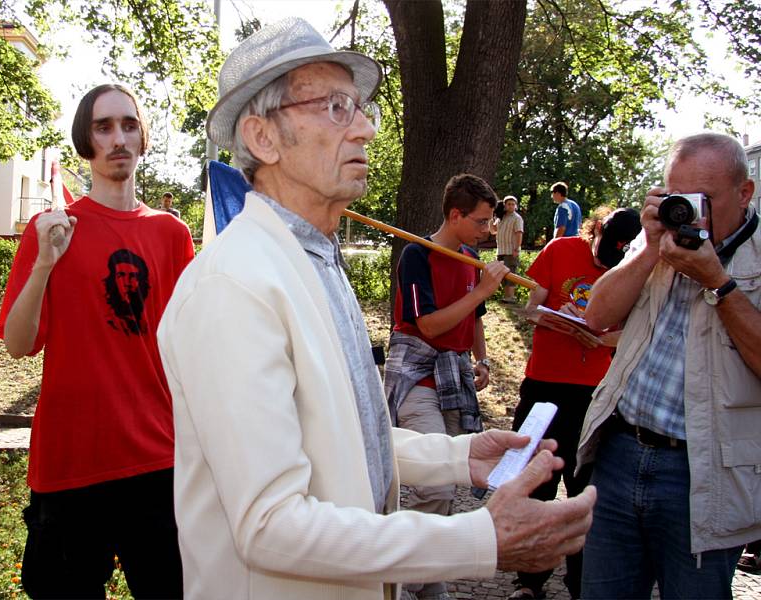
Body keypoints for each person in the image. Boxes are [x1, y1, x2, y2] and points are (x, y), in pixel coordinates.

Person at [156, 18, 595, 600]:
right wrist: (479, 539)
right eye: (336, 106)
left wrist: (461, 456)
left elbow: (342, 435)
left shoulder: (313, 260)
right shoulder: (233, 287)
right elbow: (270, 527)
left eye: (361, 107)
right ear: (264, 138)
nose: (364, 128)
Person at [0, 84, 194, 599]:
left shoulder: (171, 235)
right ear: (86, 140)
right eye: (104, 127)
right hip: (71, 464)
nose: (118, 138)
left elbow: (190, 348)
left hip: (157, 460)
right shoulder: (51, 229)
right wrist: (45, 263)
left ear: (143, 138)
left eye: (129, 125)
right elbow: (18, 344)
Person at [577, 132, 761, 599]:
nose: (689, 209)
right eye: (679, 196)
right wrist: (651, 248)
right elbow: (596, 316)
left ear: (745, 192)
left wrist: (716, 281)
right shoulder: (658, 238)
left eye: (704, 198)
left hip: (704, 472)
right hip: (620, 453)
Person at [383, 173, 509, 600]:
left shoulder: (472, 258)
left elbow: (474, 319)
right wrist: (484, 289)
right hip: (417, 377)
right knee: (436, 481)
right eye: (480, 221)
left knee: (448, 483)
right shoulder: (418, 255)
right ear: (455, 215)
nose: (486, 230)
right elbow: (431, 325)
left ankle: (428, 581)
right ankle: (403, 582)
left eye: (490, 222)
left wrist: (482, 358)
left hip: (453, 379)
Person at [508, 206, 641, 600]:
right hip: (544, 386)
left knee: (586, 493)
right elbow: (531, 308)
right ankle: (529, 582)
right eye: (603, 251)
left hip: (596, 394)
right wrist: (554, 319)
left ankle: (582, 584)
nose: (605, 262)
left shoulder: (635, 269)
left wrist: (600, 339)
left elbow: (635, 331)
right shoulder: (560, 248)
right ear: (595, 229)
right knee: (537, 485)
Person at [490, 195, 524, 303]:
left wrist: (516, 249)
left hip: (511, 250)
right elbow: (493, 231)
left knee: (511, 273)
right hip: (500, 250)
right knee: (502, 274)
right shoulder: (501, 218)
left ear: (516, 206)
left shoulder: (517, 218)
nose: (511, 206)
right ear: (504, 205)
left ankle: (511, 297)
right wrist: (491, 219)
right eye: (509, 204)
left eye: (513, 204)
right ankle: (506, 297)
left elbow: (519, 233)